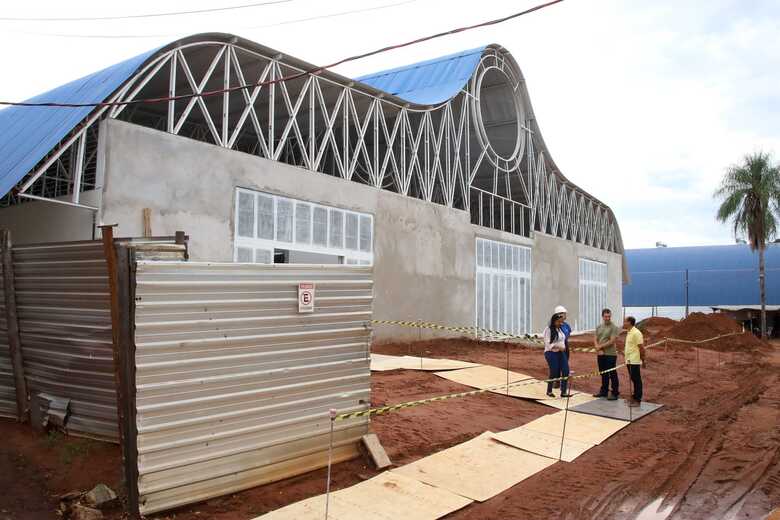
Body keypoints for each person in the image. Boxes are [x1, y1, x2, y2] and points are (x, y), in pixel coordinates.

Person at [593, 308, 620, 400]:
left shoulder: (614, 327)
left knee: (612, 373)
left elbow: (612, 341)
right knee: (603, 373)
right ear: (602, 316)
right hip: (601, 354)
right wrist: (597, 348)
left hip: (610, 354)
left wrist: (600, 347)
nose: (607, 318)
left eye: (609, 316)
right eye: (606, 316)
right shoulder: (599, 327)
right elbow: (595, 338)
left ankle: (615, 393)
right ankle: (604, 391)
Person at [543, 312, 572, 398]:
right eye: (558, 322)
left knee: (566, 370)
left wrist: (563, 347)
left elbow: (563, 339)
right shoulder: (548, 330)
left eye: (561, 322)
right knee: (554, 371)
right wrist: (558, 346)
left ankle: (563, 392)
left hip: (561, 353)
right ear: (554, 321)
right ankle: (549, 390)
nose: (560, 323)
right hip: (551, 353)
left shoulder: (560, 329)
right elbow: (548, 344)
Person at [623, 316, 646, 407]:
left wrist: (643, 360)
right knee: (633, 379)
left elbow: (641, 348)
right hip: (629, 360)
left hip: (634, 361)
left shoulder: (636, 333)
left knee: (637, 380)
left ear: (629, 322)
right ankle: (634, 396)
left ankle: (637, 400)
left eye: (625, 321)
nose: (623, 323)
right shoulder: (629, 332)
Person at [552, 305, 571, 389]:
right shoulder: (555, 325)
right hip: (557, 346)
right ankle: (556, 381)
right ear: (559, 314)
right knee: (556, 365)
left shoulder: (566, 325)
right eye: (564, 314)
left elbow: (568, 333)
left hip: (565, 345)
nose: (565, 315)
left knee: (565, 365)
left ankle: (563, 384)